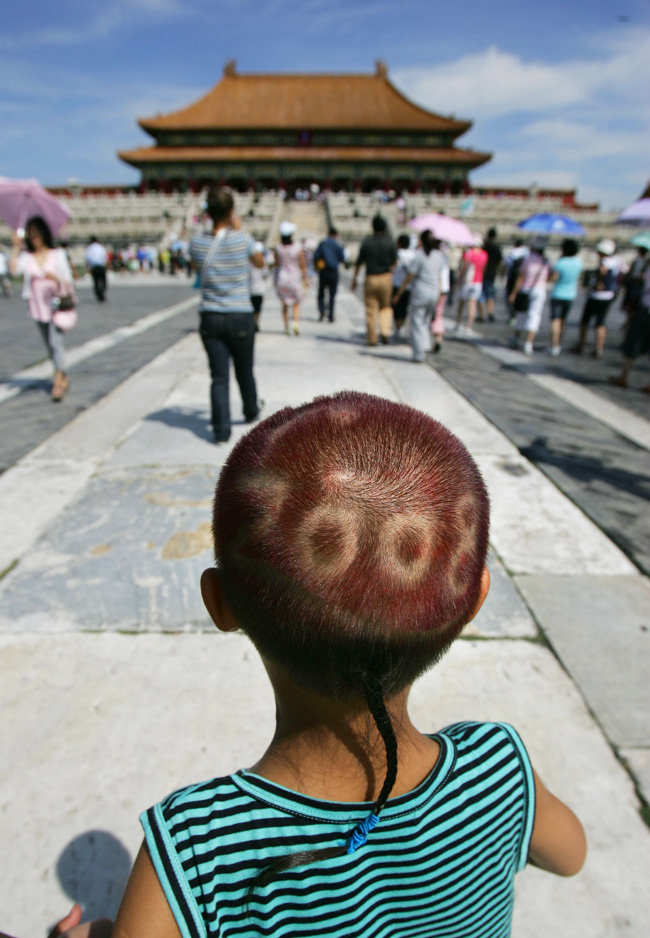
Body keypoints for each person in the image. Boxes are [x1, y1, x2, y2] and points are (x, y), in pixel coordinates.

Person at [99, 391, 584, 938]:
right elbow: (571, 855)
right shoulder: (498, 769)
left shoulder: (195, 850)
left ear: (220, 603)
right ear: (474, 602)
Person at [189, 188, 265, 443]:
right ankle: (250, 409)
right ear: (232, 212)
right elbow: (260, 263)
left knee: (218, 376)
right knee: (245, 369)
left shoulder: (196, 243)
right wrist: (237, 228)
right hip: (240, 314)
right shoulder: (243, 239)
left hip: (210, 315)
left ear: (207, 213)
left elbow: (196, 268)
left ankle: (221, 430)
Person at [9, 216, 75, 401]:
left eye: (37, 234)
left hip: (55, 304)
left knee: (56, 342)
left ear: (44, 234)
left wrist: (54, 277)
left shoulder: (57, 254)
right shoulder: (27, 257)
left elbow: (68, 281)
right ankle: (62, 374)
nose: (34, 238)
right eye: (31, 235)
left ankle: (58, 380)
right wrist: (15, 247)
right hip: (37, 306)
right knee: (49, 344)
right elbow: (14, 271)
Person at [394, 230, 448, 362]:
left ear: (421, 241)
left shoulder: (419, 256)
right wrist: (440, 292)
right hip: (434, 292)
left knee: (417, 322)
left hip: (420, 292)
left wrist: (399, 293)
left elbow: (409, 276)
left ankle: (419, 353)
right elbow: (439, 276)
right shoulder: (439, 256)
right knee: (425, 320)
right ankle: (425, 346)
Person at [570, 239, 624, 358]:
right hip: (609, 295)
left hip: (597, 295)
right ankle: (599, 348)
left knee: (585, 321)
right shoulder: (618, 260)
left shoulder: (605, 261)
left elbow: (602, 270)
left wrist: (599, 282)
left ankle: (581, 345)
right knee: (601, 322)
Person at [352, 214, 397, 345]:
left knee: (371, 309)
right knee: (386, 307)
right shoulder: (390, 242)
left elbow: (358, 262)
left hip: (370, 277)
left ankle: (372, 338)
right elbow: (394, 262)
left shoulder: (367, 242)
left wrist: (354, 279)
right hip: (385, 277)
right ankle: (385, 331)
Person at [609, 254, 650, 392]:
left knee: (633, 341)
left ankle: (624, 376)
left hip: (645, 309)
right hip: (644, 308)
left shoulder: (647, 268)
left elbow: (641, 282)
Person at [508, 236, 550, 355]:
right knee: (534, 315)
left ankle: (515, 338)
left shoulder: (528, 259)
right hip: (540, 290)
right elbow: (550, 276)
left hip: (526, 289)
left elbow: (520, 277)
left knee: (521, 315)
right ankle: (528, 343)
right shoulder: (546, 261)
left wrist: (513, 293)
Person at [548, 239, 583, 356]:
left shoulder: (561, 263)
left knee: (555, 320)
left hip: (558, 294)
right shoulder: (579, 262)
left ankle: (554, 345)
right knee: (563, 320)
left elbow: (554, 279)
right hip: (570, 295)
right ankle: (559, 343)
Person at [274, 221, 308, 335]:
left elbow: (276, 264)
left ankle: (285, 326)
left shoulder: (278, 248)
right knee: (296, 303)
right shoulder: (298, 247)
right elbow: (302, 264)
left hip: (282, 277)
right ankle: (296, 322)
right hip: (294, 277)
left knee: (284, 304)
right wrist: (305, 278)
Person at [455, 239, 488, 335]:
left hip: (467, 281)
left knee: (461, 303)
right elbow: (483, 268)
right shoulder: (484, 254)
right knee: (472, 304)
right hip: (477, 281)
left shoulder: (469, 253)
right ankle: (468, 326)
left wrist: (458, 280)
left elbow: (463, 268)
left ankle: (459, 323)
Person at [313, 227, 345, 322]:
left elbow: (316, 256)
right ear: (335, 235)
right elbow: (342, 258)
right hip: (333, 272)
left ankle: (322, 309)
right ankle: (331, 315)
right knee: (332, 295)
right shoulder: (338, 245)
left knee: (321, 293)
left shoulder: (322, 244)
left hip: (323, 271)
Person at [391, 233, 416, 336]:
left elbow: (392, 268)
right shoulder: (413, 255)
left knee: (396, 308)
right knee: (404, 308)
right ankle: (401, 326)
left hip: (396, 283)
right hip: (408, 286)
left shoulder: (396, 253)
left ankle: (397, 327)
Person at [477, 227, 502, 322]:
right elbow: (500, 260)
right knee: (491, 294)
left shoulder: (484, 247)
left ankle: (481, 315)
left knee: (481, 294)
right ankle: (490, 312)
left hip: (482, 273)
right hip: (492, 273)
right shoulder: (496, 247)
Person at [505, 238, 529, 320]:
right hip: (523, 278)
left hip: (512, 277)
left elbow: (507, 263)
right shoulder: (526, 252)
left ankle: (512, 315)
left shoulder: (512, 252)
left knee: (511, 296)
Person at [249, 240, 269, 331]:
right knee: (257, 310)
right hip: (258, 289)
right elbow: (265, 274)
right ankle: (255, 323)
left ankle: (253, 323)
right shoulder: (262, 263)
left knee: (252, 309)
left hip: (250, 289)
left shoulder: (248, 262)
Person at [85, 235, 108, 302]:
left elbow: (87, 259)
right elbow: (105, 257)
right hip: (101, 266)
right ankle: (102, 292)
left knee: (96, 282)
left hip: (94, 267)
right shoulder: (101, 247)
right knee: (103, 281)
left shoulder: (89, 248)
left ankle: (99, 295)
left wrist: (88, 267)